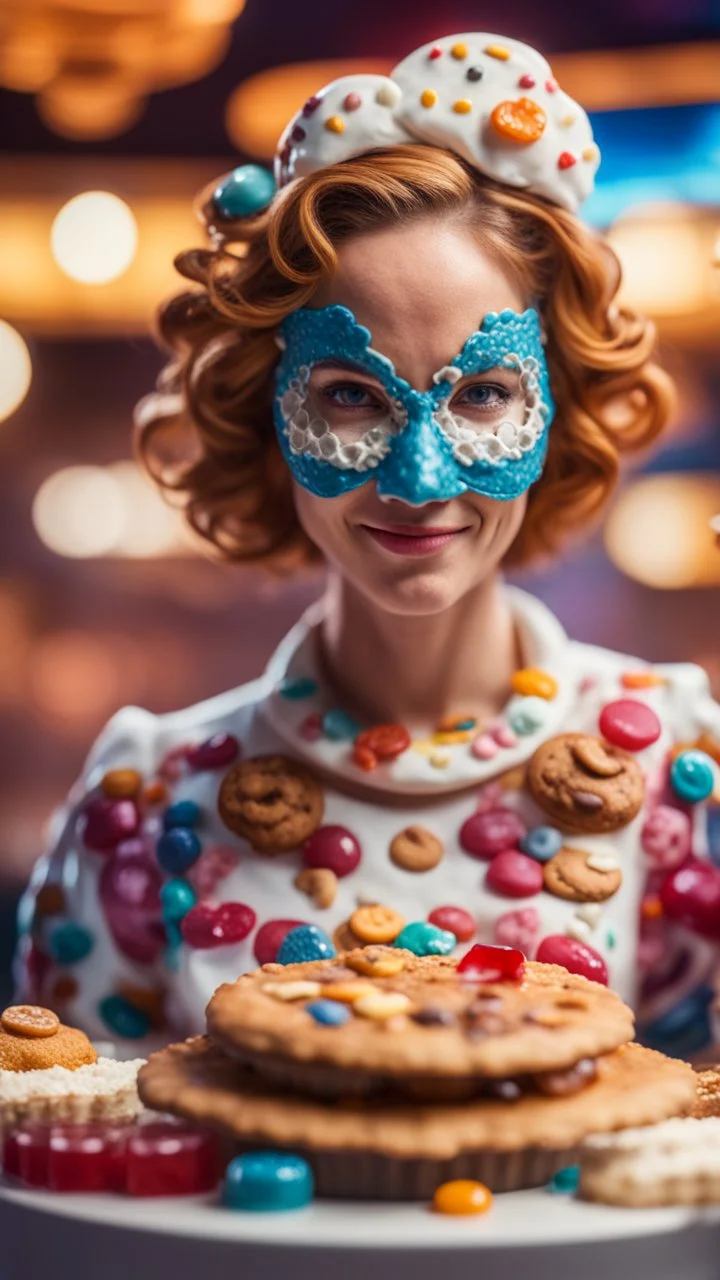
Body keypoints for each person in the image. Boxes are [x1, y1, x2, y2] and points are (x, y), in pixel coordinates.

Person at [17, 33, 720, 1057]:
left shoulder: (675, 771)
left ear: (559, 406)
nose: (419, 479)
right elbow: (63, 1157)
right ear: (264, 410)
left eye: (483, 392)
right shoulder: (147, 800)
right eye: (350, 395)